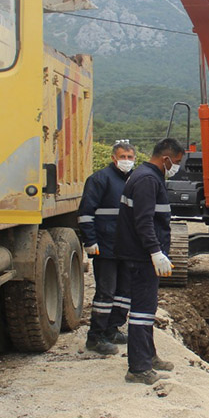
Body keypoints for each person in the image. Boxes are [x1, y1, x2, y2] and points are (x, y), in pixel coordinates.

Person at [114, 138, 184, 385]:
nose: (176, 167)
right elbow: (143, 221)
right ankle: (139, 368)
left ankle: (149, 356)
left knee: (147, 307)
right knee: (142, 312)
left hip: (140, 253)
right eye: (176, 162)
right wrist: (155, 251)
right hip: (141, 256)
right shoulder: (147, 180)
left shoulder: (147, 176)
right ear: (165, 158)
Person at [78, 140, 136, 355]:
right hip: (105, 246)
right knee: (106, 292)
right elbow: (85, 213)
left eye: (130, 157)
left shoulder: (135, 180)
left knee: (124, 292)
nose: (126, 161)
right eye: (123, 157)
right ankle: (96, 337)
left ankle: (113, 329)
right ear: (113, 158)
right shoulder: (99, 179)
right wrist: (90, 241)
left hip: (127, 247)